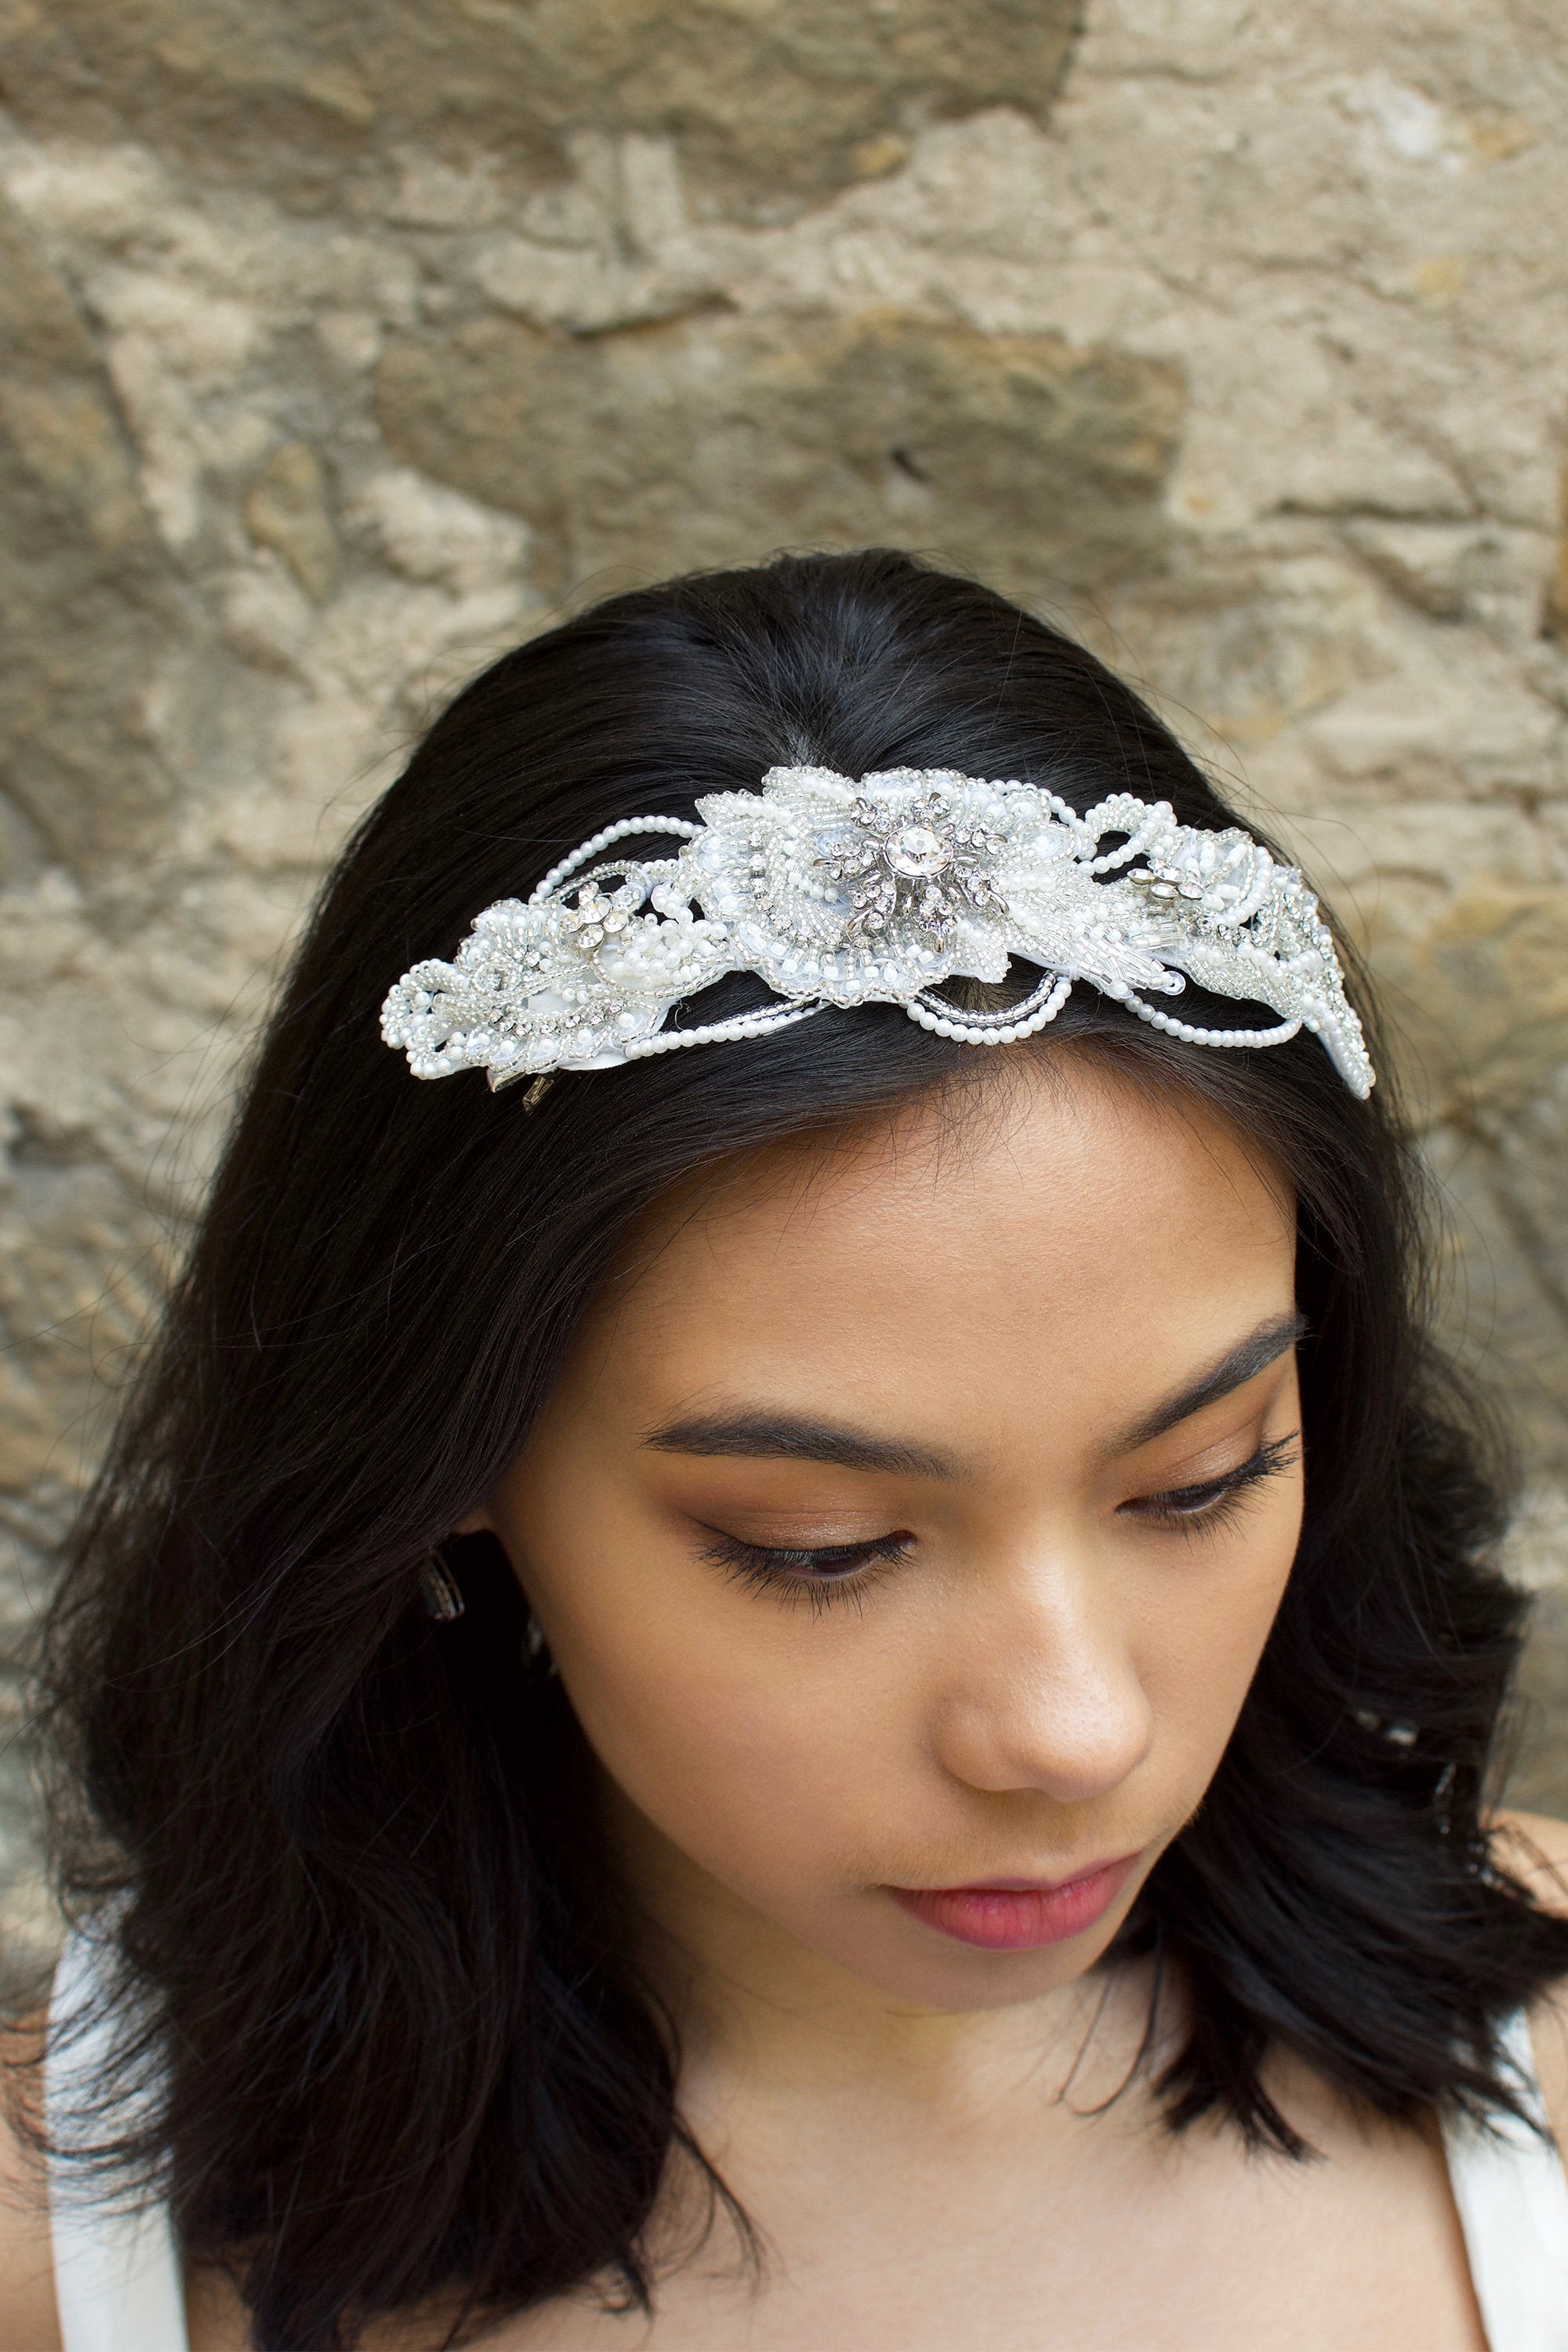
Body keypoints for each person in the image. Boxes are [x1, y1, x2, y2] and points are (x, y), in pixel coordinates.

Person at [2, 549, 1567, 2351]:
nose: (1072, 1731)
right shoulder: (69, 2251)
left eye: (1198, 1478)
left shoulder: (1534, 2064)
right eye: (820, 1544)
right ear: (445, 1456)